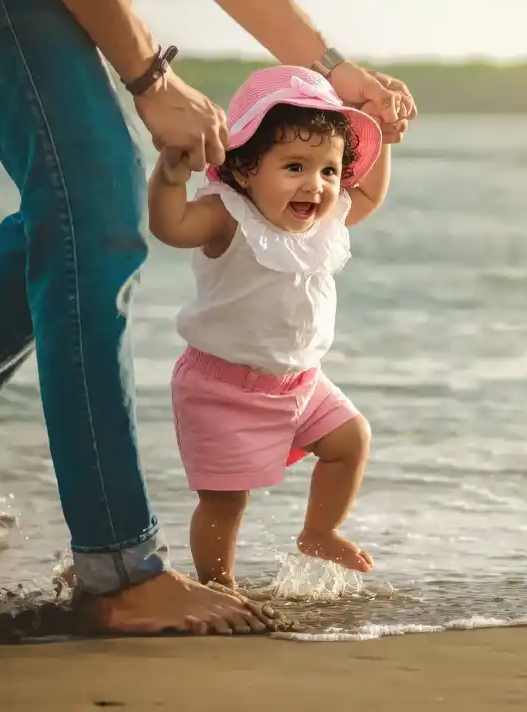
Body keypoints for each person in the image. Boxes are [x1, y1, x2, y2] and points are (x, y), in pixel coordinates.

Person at [0, 0, 416, 636]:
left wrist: (334, 70)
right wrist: (152, 78)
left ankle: (115, 568)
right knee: (96, 216)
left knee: (68, 221)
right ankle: (117, 570)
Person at [148, 64, 387, 588]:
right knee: (225, 501)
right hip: (222, 389)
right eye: (295, 166)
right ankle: (218, 582)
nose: (317, 185)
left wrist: (382, 134)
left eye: (329, 171)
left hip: (301, 382)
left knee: (351, 440)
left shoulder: (320, 224)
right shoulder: (226, 216)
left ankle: (320, 530)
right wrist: (168, 178)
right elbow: (169, 227)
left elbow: (367, 197)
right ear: (247, 168)